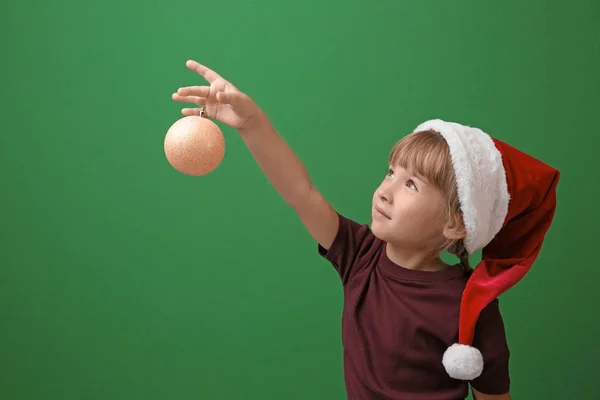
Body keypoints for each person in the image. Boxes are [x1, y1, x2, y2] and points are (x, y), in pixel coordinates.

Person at [172, 60, 560, 400]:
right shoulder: (359, 255)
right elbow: (300, 193)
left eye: (412, 184)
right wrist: (253, 124)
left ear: (456, 222)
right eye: (391, 172)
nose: (386, 191)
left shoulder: (472, 305)